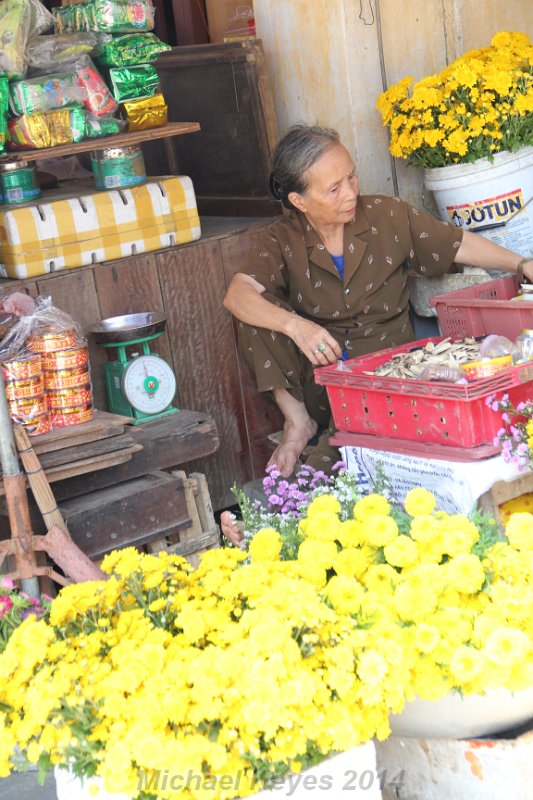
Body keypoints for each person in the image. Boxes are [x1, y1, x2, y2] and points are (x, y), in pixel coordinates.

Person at [220, 124, 533, 542]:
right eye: (334, 189)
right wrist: (297, 326)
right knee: (256, 310)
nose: (350, 193)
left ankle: (272, 521)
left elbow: (454, 244)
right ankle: (298, 423)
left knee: (338, 463)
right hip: (319, 373)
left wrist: (520, 264)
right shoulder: (283, 240)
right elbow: (237, 294)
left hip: (385, 376)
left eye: (351, 177)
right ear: (299, 200)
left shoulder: (387, 215)